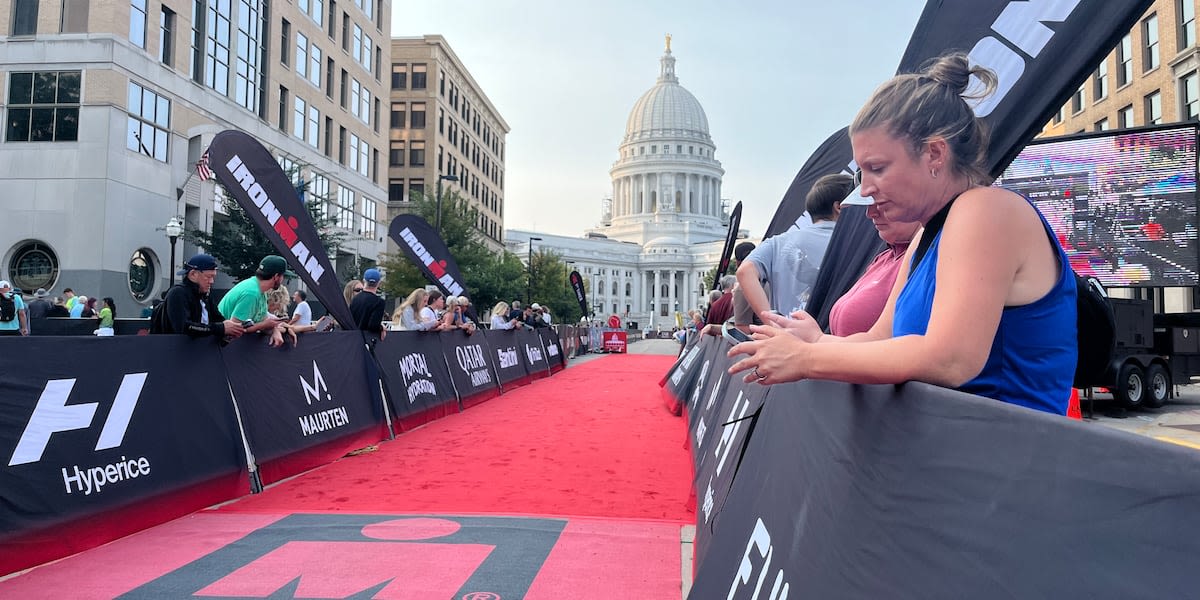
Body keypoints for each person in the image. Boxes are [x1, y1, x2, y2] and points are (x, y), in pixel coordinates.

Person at [729, 53, 1076, 416]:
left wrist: (810, 356)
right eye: (862, 173)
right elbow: (879, 339)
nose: (864, 190)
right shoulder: (927, 236)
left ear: (935, 154)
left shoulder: (986, 210)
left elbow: (951, 359)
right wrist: (819, 340)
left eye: (876, 168)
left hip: (1006, 460)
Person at [737, 173, 850, 319]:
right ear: (839, 207)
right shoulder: (858, 241)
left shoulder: (777, 242)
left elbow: (744, 272)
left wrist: (772, 321)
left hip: (788, 335)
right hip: (842, 338)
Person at [827, 204, 922, 337]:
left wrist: (813, 342)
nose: (870, 213)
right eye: (868, 204)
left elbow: (883, 339)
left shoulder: (923, 257)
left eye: (882, 202)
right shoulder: (884, 258)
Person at [152, 253, 245, 339]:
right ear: (193, 274)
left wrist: (233, 327)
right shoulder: (178, 293)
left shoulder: (205, 295)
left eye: (213, 277)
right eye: (208, 277)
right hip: (173, 351)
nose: (211, 281)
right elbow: (184, 327)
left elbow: (218, 320)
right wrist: (219, 328)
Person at [218, 255, 291, 347]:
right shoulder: (251, 293)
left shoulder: (259, 289)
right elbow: (235, 328)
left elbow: (263, 320)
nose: (283, 279)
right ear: (276, 277)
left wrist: (275, 330)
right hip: (219, 346)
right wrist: (265, 325)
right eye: (283, 275)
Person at [350, 267, 387, 338]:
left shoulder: (355, 299)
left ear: (364, 281)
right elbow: (373, 326)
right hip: (367, 340)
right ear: (379, 283)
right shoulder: (379, 302)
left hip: (353, 338)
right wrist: (381, 328)